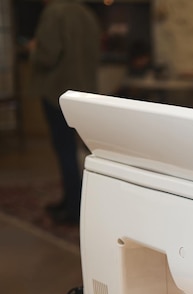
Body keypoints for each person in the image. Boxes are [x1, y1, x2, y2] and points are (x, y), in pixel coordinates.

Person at [29, 0, 100, 225]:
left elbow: (46, 56)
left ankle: (73, 207)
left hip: (58, 92)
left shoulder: (53, 13)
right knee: (78, 149)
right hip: (84, 92)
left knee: (65, 150)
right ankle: (73, 199)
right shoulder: (86, 13)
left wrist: (33, 50)